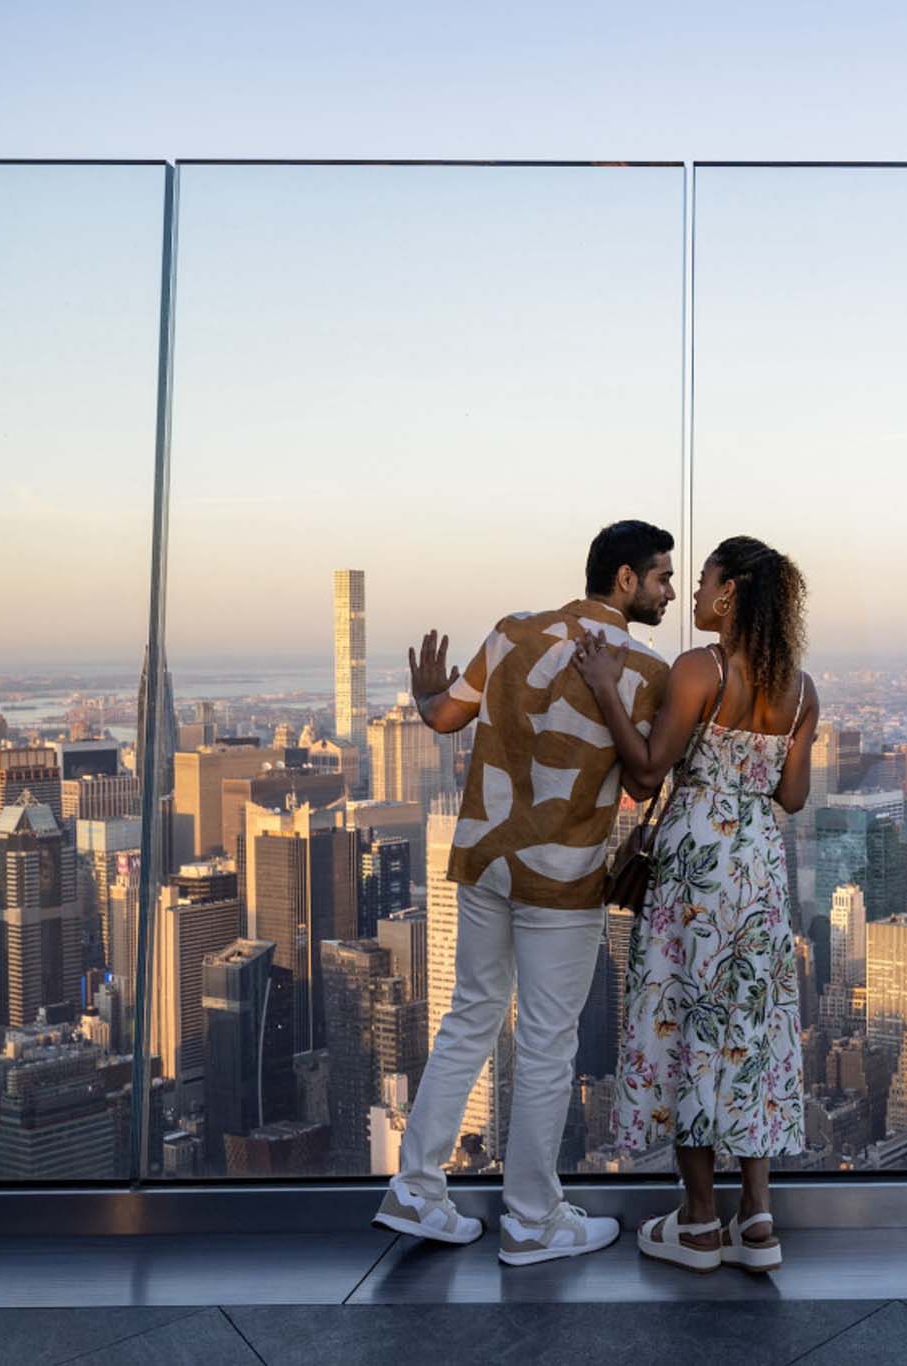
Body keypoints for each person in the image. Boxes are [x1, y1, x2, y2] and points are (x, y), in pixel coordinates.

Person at [371, 519, 676, 1267]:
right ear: (626, 579)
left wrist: (423, 692)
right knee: (546, 1043)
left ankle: (415, 1189)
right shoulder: (646, 666)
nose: (670, 591)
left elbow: (444, 715)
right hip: (560, 879)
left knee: (469, 1019)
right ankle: (532, 1220)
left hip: (483, 859)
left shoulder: (511, 632)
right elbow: (643, 780)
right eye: (663, 577)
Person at [573, 535, 815, 1275]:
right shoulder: (801, 690)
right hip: (760, 870)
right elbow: (793, 797)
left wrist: (607, 688)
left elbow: (646, 775)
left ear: (731, 592)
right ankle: (759, 1220)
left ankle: (701, 1223)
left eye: (705, 578)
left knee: (687, 1022)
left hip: (694, 870)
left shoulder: (698, 670)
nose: (696, 591)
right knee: (753, 1026)